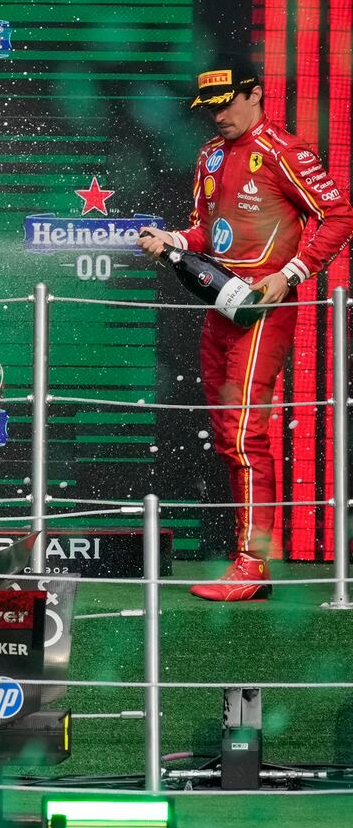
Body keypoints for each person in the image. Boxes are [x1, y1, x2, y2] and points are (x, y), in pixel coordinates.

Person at [138, 55, 352, 600]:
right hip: (222, 305)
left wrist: (291, 274)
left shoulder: (286, 152)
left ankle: (253, 563)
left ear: (254, 94)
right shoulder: (210, 157)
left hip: (264, 309)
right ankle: (248, 560)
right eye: (208, 108)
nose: (217, 117)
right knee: (230, 436)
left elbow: (340, 216)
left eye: (226, 104)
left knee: (243, 433)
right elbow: (210, 235)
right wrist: (175, 243)